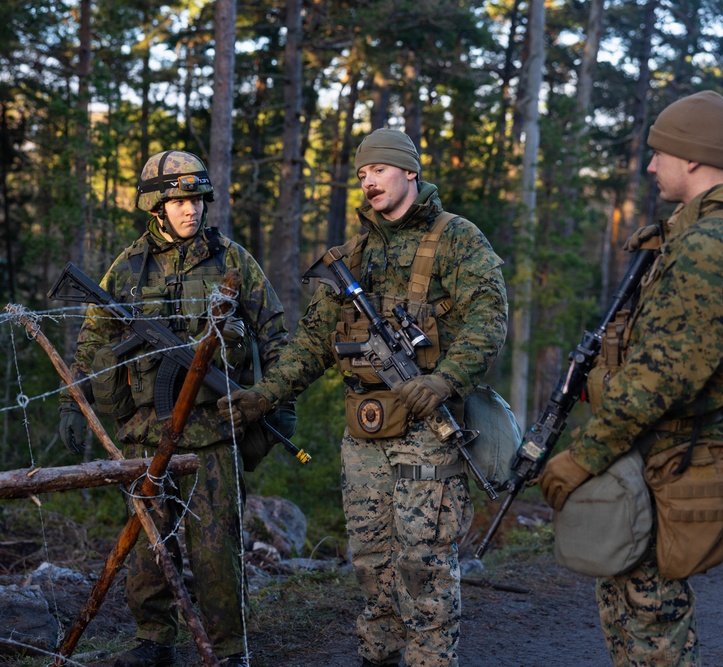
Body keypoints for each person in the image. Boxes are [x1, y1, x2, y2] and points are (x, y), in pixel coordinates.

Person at [218, 128, 509, 667]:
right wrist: (264, 396)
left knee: (423, 559)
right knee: (371, 558)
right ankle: (378, 654)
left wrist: (444, 380)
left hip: (427, 424)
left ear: (410, 171)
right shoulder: (351, 255)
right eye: (361, 174)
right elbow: (312, 342)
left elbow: (488, 321)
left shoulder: (457, 239)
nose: (369, 182)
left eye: (379, 170)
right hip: (366, 427)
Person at [539, 90, 723, 666]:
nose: (649, 166)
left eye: (659, 153)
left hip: (664, 452)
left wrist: (583, 457)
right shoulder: (712, 232)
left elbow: (666, 373)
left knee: (651, 622)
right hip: (657, 448)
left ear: (692, 157)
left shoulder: (709, 243)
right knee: (631, 608)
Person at [59, 149, 289, 667]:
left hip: (214, 432)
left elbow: (275, 333)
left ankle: (228, 649)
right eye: (180, 201)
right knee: (148, 546)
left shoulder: (233, 261)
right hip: (145, 432)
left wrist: (276, 400)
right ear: (156, 207)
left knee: (216, 548)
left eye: (199, 200)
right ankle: (153, 640)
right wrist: (73, 402)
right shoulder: (127, 268)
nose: (192, 209)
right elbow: (93, 341)